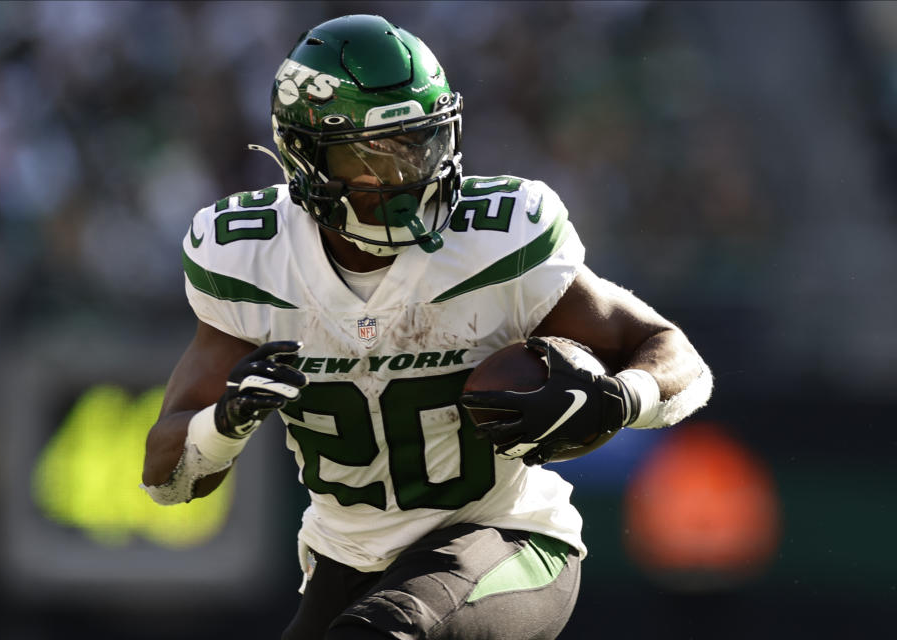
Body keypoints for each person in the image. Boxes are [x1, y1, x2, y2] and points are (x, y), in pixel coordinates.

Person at [141, 14, 712, 640]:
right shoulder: (248, 260)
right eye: (376, 157)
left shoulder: (496, 241)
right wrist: (226, 421)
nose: (410, 175)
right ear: (306, 156)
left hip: (504, 539)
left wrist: (622, 397)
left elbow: (675, 356)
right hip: (346, 563)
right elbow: (168, 482)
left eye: (422, 144)